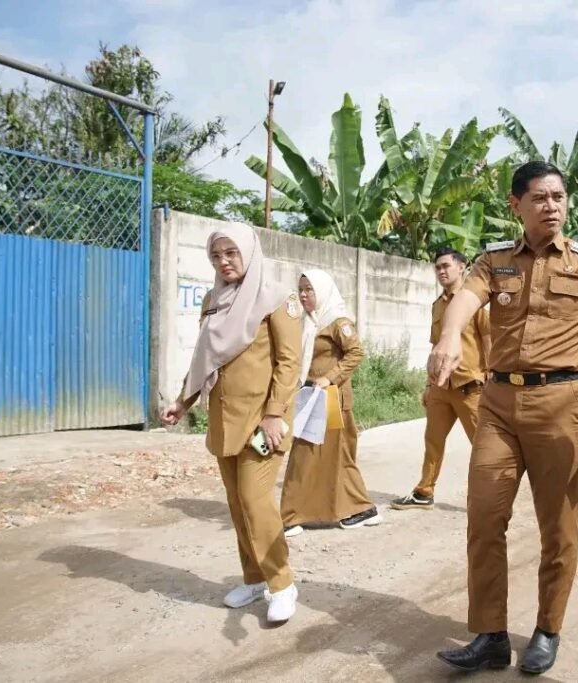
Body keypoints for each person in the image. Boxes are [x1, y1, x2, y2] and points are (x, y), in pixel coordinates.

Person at [427, 161, 578, 675]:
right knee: (485, 517)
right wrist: (449, 339)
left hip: (560, 403)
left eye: (558, 197)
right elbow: (465, 300)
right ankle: (490, 634)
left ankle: (547, 629)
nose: (552, 206)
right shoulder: (494, 260)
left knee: (558, 525)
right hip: (497, 404)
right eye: (539, 198)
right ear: (516, 204)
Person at [160, 223, 302, 624]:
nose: (224, 262)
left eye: (231, 253)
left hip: (264, 423)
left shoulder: (276, 298)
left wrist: (275, 413)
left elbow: (289, 363)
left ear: (249, 252)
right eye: (216, 255)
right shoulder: (213, 299)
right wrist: (183, 402)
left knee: (257, 501)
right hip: (225, 421)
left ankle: (283, 583)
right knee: (238, 504)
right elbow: (204, 358)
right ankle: (254, 578)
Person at [280, 268, 382, 537]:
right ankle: (298, 514)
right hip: (310, 399)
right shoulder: (308, 322)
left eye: (309, 290)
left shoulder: (338, 321)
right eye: (301, 289)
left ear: (322, 291)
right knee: (309, 457)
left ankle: (294, 515)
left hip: (332, 400)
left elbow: (356, 352)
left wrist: (330, 378)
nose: (303, 295)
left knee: (334, 456)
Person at [392, 247, 490, 511]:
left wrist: (492, 380)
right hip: (440, 387)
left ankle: (490, 497)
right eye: (437, 267)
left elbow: (489, 341)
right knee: (432, 442)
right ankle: (424, 492)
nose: (441, 271)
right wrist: (428, 384)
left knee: (483, 446)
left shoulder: (476, 303)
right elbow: (436, 346)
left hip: (471, 387)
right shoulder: (437, 306)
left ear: (462, 267)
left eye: (446, 266)